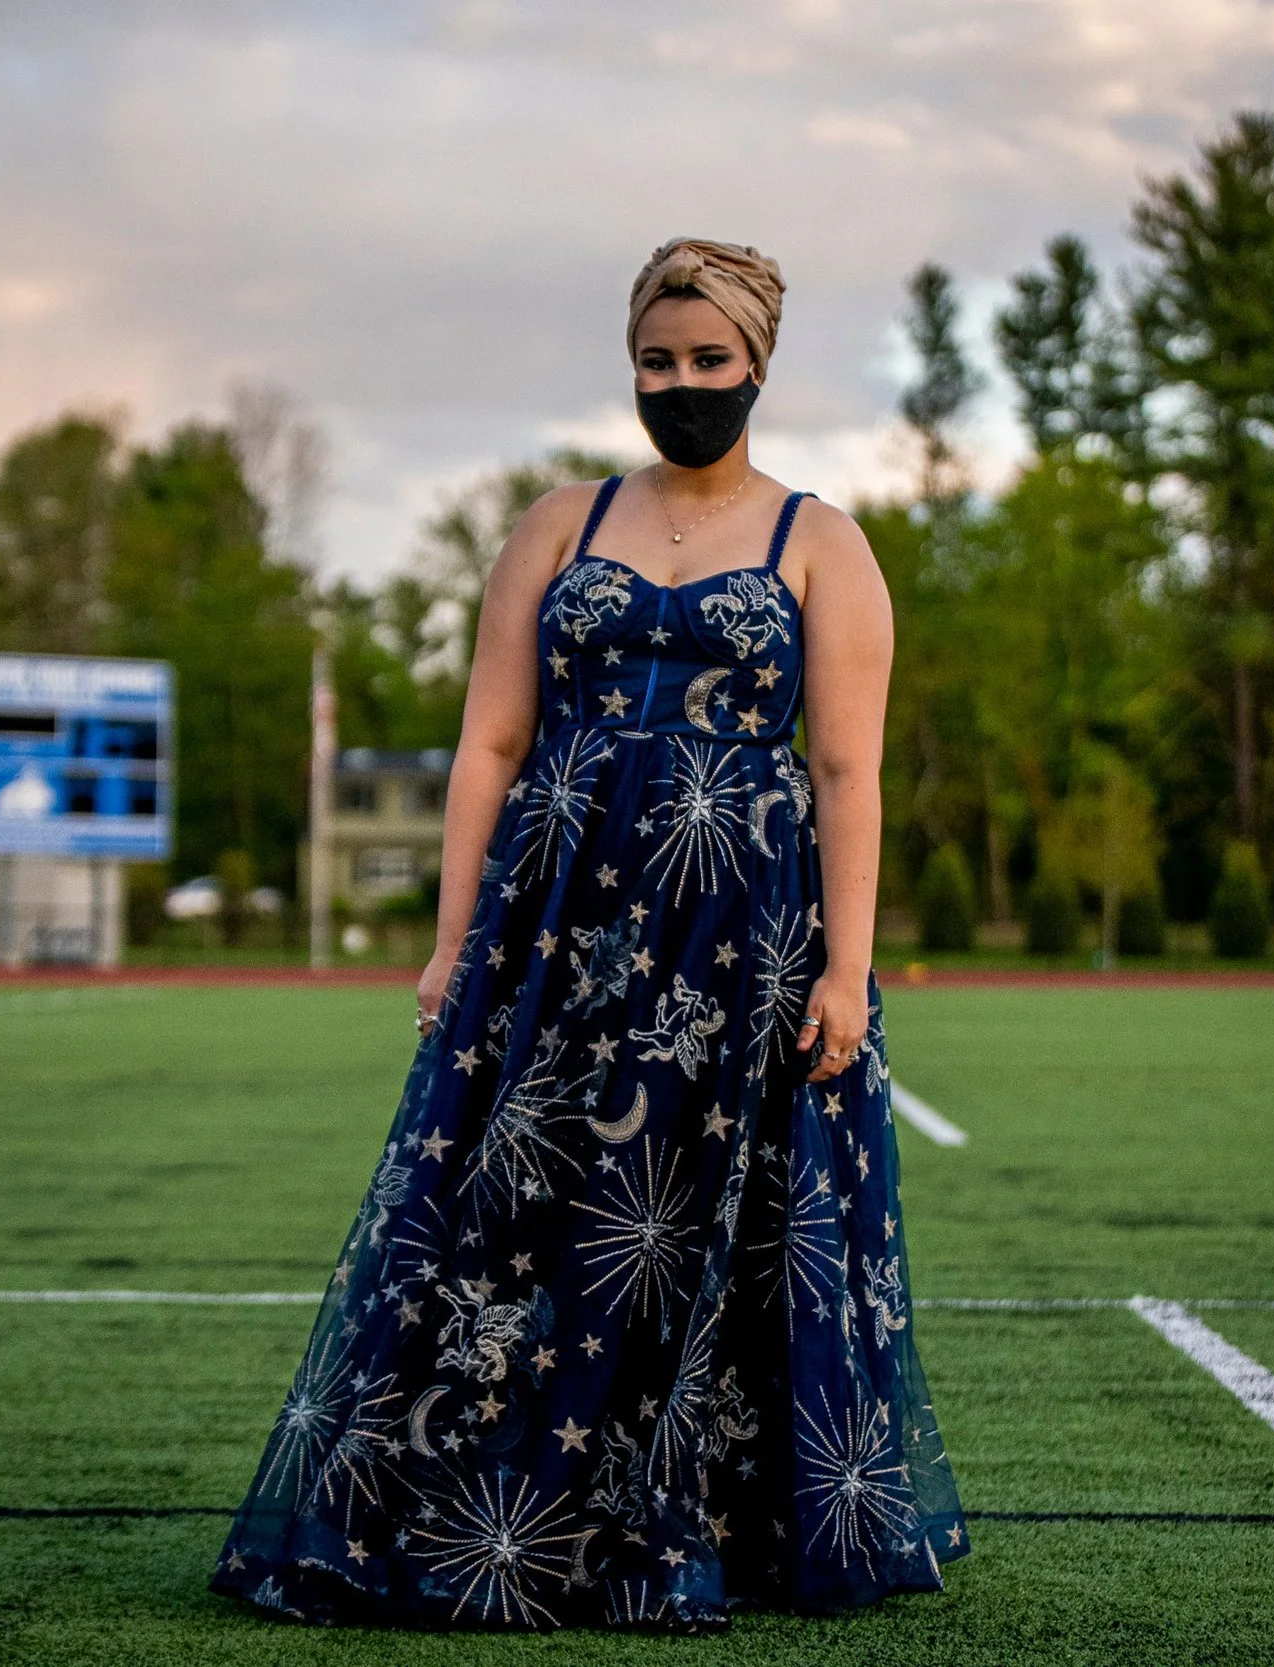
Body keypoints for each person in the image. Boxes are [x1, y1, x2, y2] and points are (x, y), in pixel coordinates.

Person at [210, 237, 965, 1632]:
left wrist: (850, 969)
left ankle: (684, 1525)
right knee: (519, 1210)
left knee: (692, 1221)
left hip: (741, 947)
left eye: (707, 362)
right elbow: (490, 744)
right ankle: (479, 1516)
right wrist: (452, 939)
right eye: (656, 362)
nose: (681, 384)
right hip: (553, 934)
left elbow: (849, 774)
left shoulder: (824, 543)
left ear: (757, 367)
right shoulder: (560, 523)